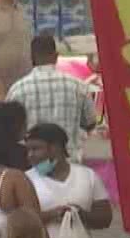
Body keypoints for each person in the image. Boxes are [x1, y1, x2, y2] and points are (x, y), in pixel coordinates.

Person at [8, 35, 101, 164]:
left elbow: (11, 132)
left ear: (31, 58)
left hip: (34, 168)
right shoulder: (78, 86)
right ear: (56, 56)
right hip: (70, 166)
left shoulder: (17, 90)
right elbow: (90, 124)